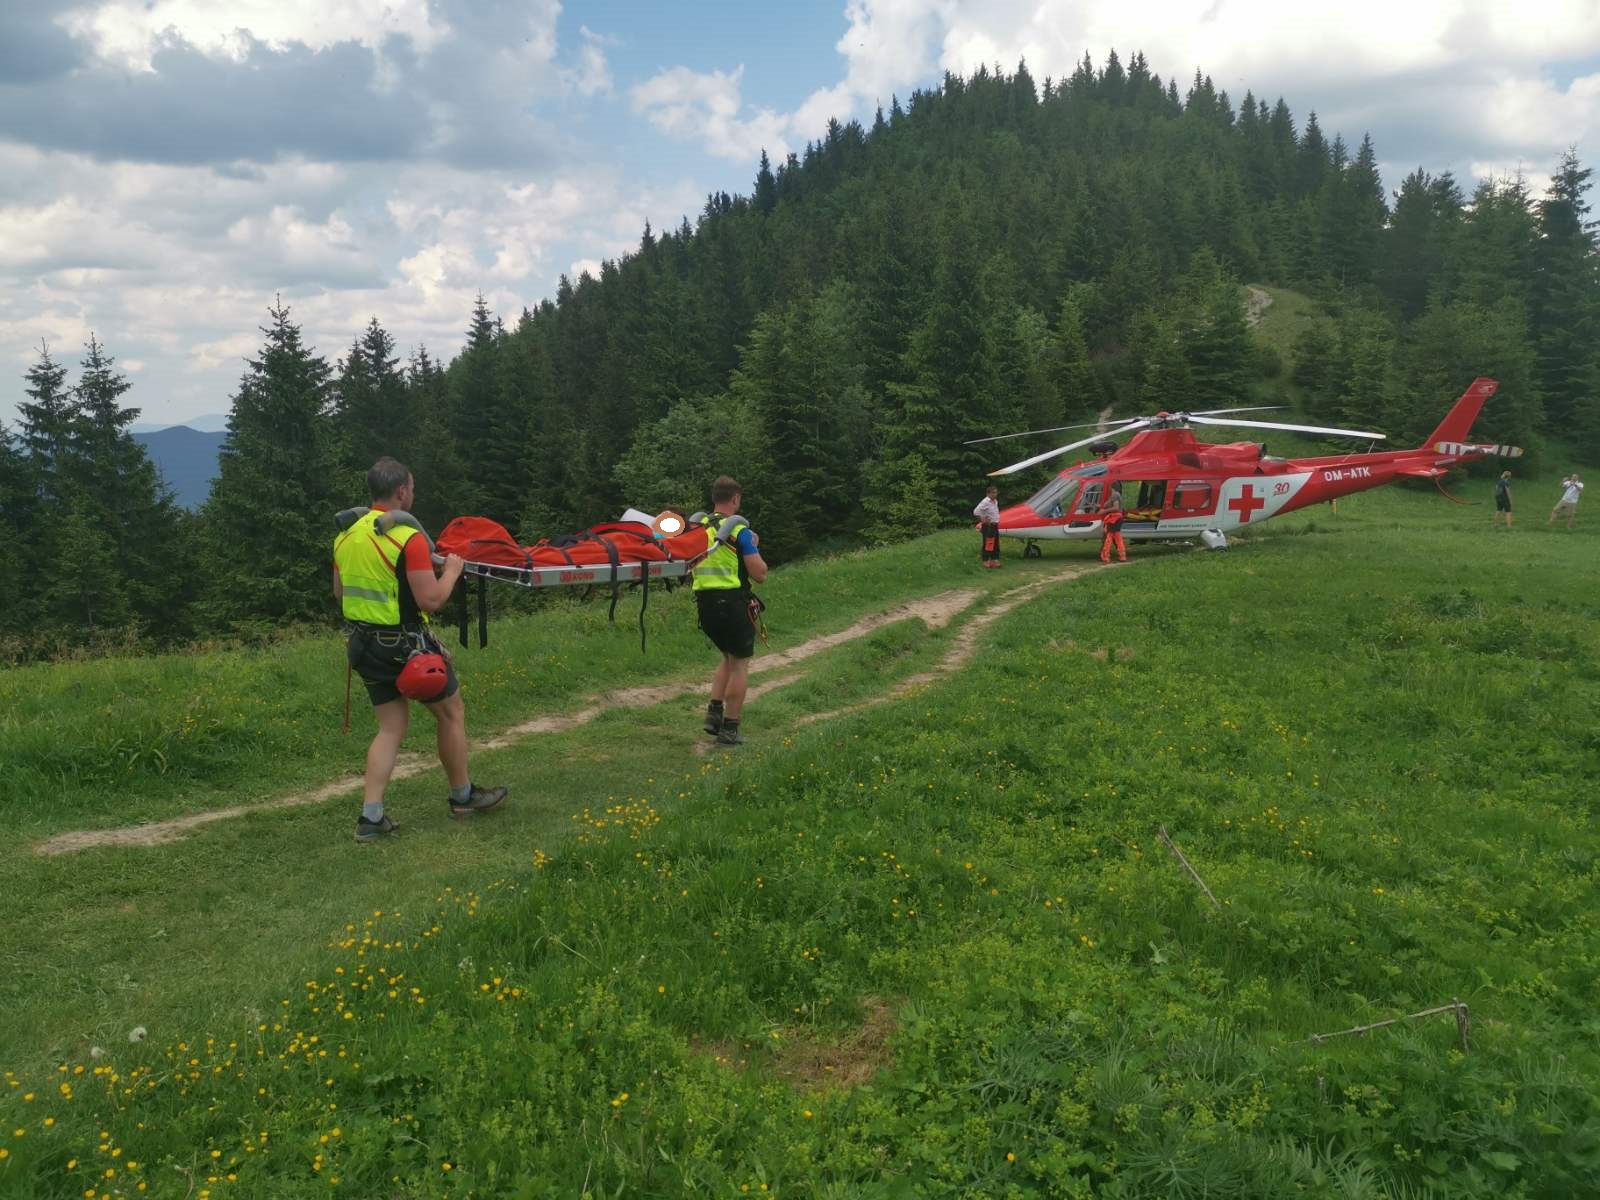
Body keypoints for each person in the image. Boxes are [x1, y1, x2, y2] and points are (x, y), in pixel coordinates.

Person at [333, 457, 507, 843]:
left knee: (390, 728)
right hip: (405, 647)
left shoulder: (346, 535)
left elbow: (340, 593)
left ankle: (371, 817)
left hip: (363, 646)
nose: (413, 493)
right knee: (451, 713)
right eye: (412, 488)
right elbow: (431, 600)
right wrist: (452, 573)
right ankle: (463, 796)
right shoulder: (406, 537)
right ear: (401, 491)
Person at [693, 476, 769, 746]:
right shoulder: (739, 531)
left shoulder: (698, 527)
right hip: (733, 604)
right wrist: (755, 547)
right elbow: (759, 574)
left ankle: (713, 715)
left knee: (727, 657)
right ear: (735, 499)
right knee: (739, 665)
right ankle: (730, 728)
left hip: (704, 605)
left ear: (714, 498)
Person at [973, 484, 1002, 568]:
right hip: (988, 526)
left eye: (996, 492)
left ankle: (994, 560)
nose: (995, 494)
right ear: (988, 493)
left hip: (995, 524)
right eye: (993, 493)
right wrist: (982, 518)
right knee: (988, 543)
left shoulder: (995, 501)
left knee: (996, 543)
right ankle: (986, 560)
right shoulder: (985, 502)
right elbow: (976, 511)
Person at [1099, 485, 1127, 564]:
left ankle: (1106, 555)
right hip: (1117, 518)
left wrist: (1103, 511)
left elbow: (1116, 508)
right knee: (1118, 537)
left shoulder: (1115, 495)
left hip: (1113, 518)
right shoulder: (1116, 495)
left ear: (1111, 487)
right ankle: (1122, 556)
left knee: (1109, 537)